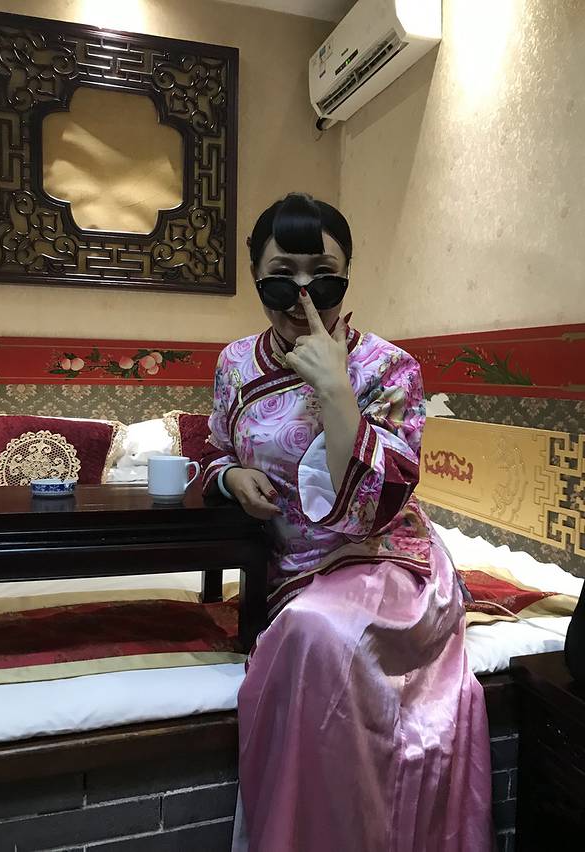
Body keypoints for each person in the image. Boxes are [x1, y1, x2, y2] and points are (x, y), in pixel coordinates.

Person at [202, 193, 492, 851]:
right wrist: (230, 478)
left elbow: (372, 508)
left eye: (324, 277)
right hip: (287, 569)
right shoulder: (235, 364)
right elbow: (216, 450)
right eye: (281, 277)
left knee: (317, 632)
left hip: (385, 559)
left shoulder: (388, 368)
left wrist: (335, 387)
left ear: (347, 278)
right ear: (255, 278)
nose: (302, 297)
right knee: (308, 625)